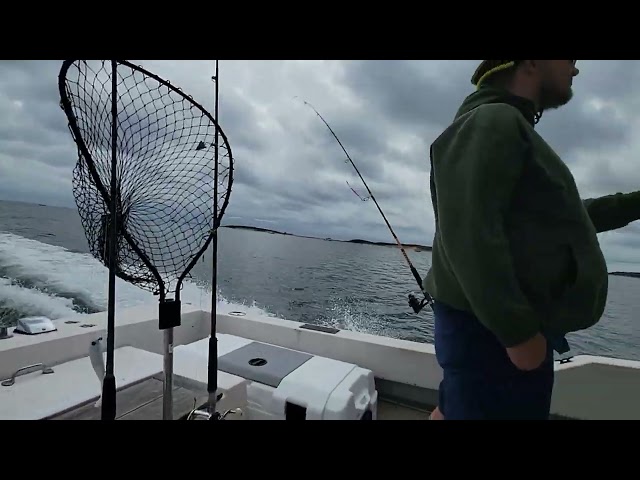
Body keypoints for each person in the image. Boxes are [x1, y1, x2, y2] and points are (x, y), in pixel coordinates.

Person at [424, 60, 640, 420]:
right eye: (570, 60)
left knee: (457, 406)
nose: (575, 71)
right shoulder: (493, 121)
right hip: (492, 332)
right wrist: (518, 334)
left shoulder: (508, 125)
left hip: (488, 329)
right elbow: (469, 232)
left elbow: (566, 219)